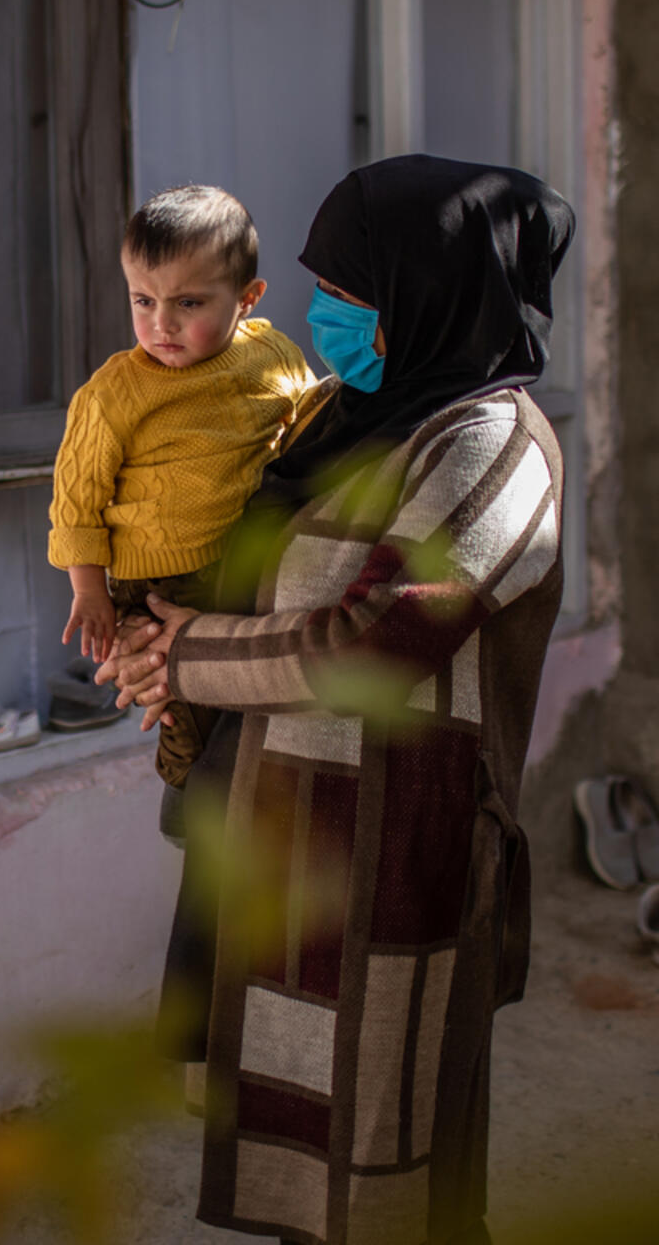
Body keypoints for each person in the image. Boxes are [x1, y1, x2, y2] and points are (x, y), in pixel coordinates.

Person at [98, 155, 574, 1245]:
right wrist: (145, 630)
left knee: (390, 1160)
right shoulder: (341, 417)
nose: (328, 316)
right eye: (327, 288)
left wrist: (188, 657)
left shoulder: (492, 445)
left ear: (431, 292)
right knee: (300, 1161)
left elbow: (381, 636)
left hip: (395, 850)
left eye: (354, 292)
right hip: (283, 831)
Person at [48, 185, 319, 801]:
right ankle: (195, 796)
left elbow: (311, 423)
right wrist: (89, 591)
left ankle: (254, 801)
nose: (161, 324)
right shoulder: (112, 394)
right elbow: (76, 502)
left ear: (247, 299)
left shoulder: (271, 356)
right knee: (184, 710)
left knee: (255, 699)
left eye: (188, 303)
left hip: (250, 563)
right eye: (143, 301)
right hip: (160, 584)